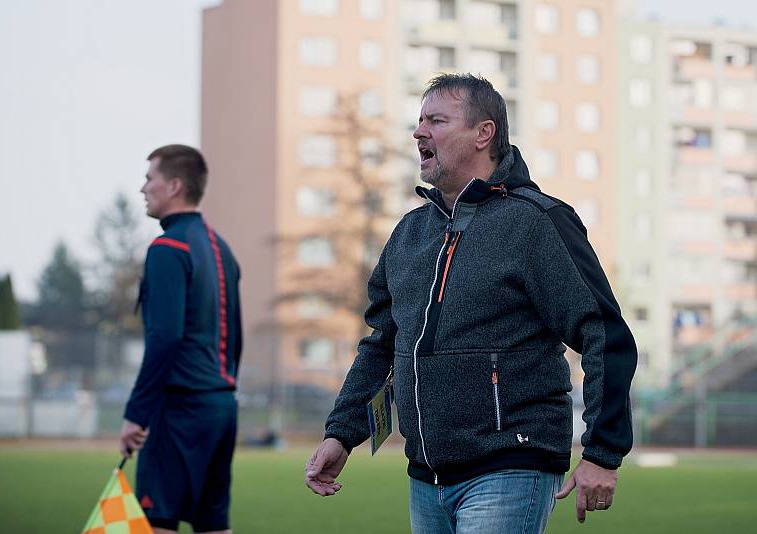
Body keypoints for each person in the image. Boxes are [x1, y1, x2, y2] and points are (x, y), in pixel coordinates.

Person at [305, 74, 637, 533]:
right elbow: (383, 345)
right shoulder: (408, 234)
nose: (419, 132)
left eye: (436, 120)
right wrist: (342, 433)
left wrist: (602, 452)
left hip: (511, 464)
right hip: (426, 475)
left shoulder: (536, 222)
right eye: (419, 120)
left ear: (484, 133)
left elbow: (603, 332)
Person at [119, 144, 242, 534]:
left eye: (148, 179)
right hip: (222, 410)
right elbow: (235, 338)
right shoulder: (222, 250)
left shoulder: (167, 248)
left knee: (157, 523)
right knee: (212, 525)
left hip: (179, 413)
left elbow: (164, 337)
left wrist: (137, 413)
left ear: (173, 186)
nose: (142, 189)